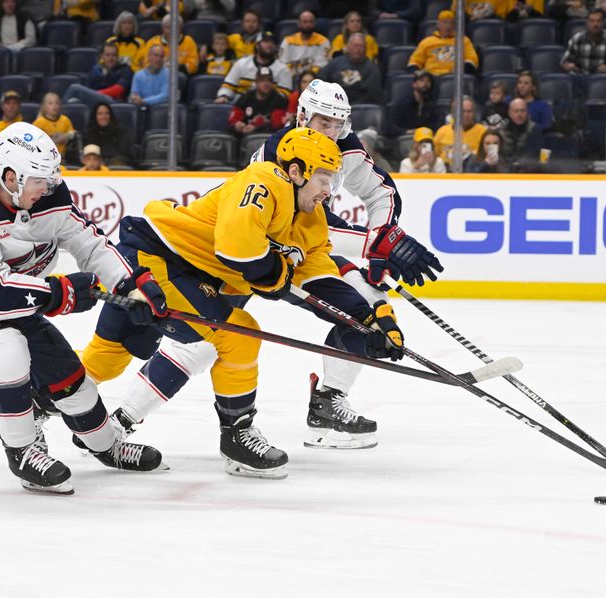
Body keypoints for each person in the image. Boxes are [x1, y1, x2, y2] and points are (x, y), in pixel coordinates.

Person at [106, 81, 443, 452]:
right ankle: (120, 420)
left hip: (288, 253)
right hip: (234, 256)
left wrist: (381, 240)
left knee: (368, 304)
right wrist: (376, 243)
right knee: (204, 343)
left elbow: (377, 194)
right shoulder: (280, 157)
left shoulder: (344, 150)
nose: (330, 132)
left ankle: (328, 402)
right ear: (302, 117)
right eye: (322, 122)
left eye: (337, 124)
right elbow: (291, 228)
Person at [81, 128, 408, 478]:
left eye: (334, 180)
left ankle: (51, 410)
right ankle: (237, 438)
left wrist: (367, 320)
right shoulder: (263, 182)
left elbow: (321, 280)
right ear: (296, 171)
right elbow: (240, 251)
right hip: (154, 260)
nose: (329, 191)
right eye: (324, 178)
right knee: (239, 334)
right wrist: (280, 276)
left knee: (105, 358)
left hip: (185, 275)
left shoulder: (311, 222)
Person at [0, 121, 168, 495]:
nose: (48, 188)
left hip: (17, 305)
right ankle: (21, 449)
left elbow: (89, 243)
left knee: (74, 384)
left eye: (51, 179)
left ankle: (106, 446)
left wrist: (132, 284)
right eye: (39, 180)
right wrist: (59, 293)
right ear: (10, 175)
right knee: (8, 349)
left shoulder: (49, 196)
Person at [216, 32, 292, 103]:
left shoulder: (283, 69)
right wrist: (224, 96)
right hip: (240, 102)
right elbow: (228, 85)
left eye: (272, 42)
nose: (270, 45)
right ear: (257, 45)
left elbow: (284, 94)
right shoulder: (241, 63)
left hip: (268, 105)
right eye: (266, 42)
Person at [408, 10, 479, 76]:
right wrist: (417, 73)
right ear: (438, 24)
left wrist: (461, 70)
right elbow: (414, 61)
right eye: (445, 23)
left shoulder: (463, 40)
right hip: (431, 79)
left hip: (454, 77)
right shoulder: (426, 42)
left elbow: (472, 59)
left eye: (451, 23)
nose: (448, 26)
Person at [318, 32, 383, 105]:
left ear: (365, 49)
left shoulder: (372, 69)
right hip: (334, 105)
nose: (358, 49)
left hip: (359, 108)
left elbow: (373, 96)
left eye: (361, 46)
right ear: (348, 47)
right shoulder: (336, 63)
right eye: (355, 46)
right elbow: (321, 80)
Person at [61, 42, 134, 106]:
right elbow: (88, 87)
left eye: (113, 55)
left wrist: (95, 93)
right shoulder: (96, 70)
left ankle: (58, 116)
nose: (111, 58)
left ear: (117, 56)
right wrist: (91, 95)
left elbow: (118, 90)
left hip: (115, 102)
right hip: (97, 102)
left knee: (75, 88)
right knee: (73, 101)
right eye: (107, 55)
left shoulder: (125, 69)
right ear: (102, 56)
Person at [228, 67, 289, 135]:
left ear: (272, 83)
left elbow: (276, 126)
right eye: (262, 80)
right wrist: (236, 126)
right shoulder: (245, 98)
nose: (266, 83)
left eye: (269, 80)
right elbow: (233, 120)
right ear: (256, 83)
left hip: (268, 138)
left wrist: (256, 129)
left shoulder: (279, 100)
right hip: (244, 138)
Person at [134, 13, 199, 75]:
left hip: (179, 74)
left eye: (175, 28)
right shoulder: (153, 42)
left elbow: (194, 64)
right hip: (156, 74)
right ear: (162, 28)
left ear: (181, 28)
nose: (172, 31)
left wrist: (176, 66)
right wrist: (160, 65)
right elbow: (145, 62)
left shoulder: (189, 41)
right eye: (168, 28)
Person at [433, 96, 487, 167]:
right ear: (453, 113)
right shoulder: (442, 131)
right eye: (462, 111)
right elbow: (433, 156)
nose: (466, 115)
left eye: (469, 111)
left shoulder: (483, 132)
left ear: (474, 113)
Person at [279, 10, 331, 74]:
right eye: (305, 22)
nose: (308, 25)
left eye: (311, 21)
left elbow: (322, 64)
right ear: (299, 24)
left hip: (313, 77)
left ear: (314, 23)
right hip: (291, 77)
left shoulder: (323, 41)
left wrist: (307, 76)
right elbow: (282, 63)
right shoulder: (288, 41)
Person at [387, 69, 436, 137]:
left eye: (428, 81)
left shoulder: (431, 105)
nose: (425, 83)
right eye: (421, 80)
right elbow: (390, 127)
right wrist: (406, 131)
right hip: (405, 138)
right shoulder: (402, 104)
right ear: (414, 84)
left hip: (424, 138)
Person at [561, 8, 606, 74]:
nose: (595, 24)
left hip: (601, 79)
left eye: (599, 21)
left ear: (603, 22)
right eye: (592, 21)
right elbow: (565, 61)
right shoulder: (577, 38)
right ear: (587, 22)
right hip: (581, 78)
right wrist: (568, 65)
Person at [499, 98, 544, 164]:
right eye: (516, 111)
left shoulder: (535, 129)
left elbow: (533, 153)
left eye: (523, 111)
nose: (519, 114)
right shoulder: (501, 129)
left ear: (527, 112)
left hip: (527, 168)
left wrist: (519, 164)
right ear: (510, 113)